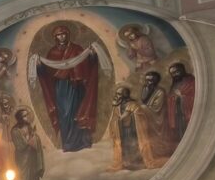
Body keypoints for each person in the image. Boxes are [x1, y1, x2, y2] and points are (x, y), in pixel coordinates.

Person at [31, 23, 101, 152]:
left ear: (68, 35)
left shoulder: (77, 49)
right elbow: (48, 73)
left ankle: (82, 141)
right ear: (55, 37)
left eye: (63, 34)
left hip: (76, 87)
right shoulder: (52, 52)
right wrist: (40, 66)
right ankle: (68, 143)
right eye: (58, 35)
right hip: (61, 87)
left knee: (78, 111)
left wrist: (91, 55)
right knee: (65, 113)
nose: (61, 37)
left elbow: (87, 66)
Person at [108, 85, 169, 171]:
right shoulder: (117, 107)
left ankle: (136, 163)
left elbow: (139, 116)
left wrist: (130, 116)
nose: (116, 96)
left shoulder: (132, 104)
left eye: (118, 94)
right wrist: (116, 121)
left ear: (124, 96)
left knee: (133, 145)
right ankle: (126, 162)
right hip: (123, 131)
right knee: (125, 146)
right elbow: (114, 119)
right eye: (116, 94)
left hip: (133, 131)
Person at [167, 62, 196, 142]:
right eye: (172, 73)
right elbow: (170, 97)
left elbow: (194, 95)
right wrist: (173, 98)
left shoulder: (190, 80)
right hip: (177, 112)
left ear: (181, 70)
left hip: (187, 111)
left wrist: (181, 95)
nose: (175, 75)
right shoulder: (174, 84)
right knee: (180, 129)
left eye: (176, 72)